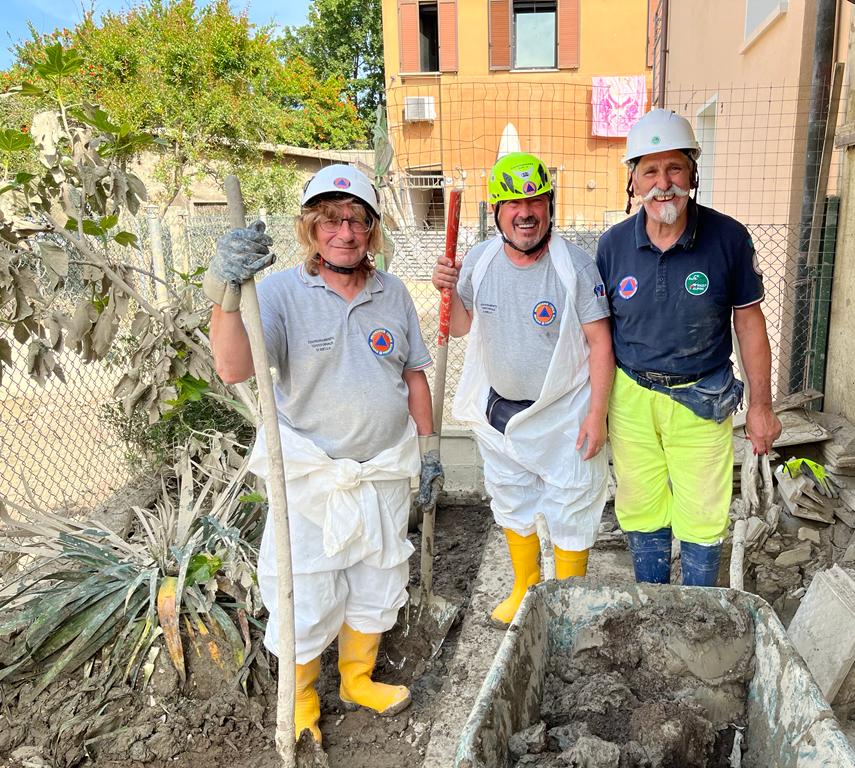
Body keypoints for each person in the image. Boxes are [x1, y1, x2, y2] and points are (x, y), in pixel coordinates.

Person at [204, 164, 442, 742]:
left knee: (378, 574)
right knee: (305, 584)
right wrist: (225, 295)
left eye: (357, 219)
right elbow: (234, 367)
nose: (345, 231)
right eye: (330, 219)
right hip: (311, 476)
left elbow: (413, 376)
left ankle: (357, 679)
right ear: (309, 227)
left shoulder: (393, 293)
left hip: (384, 468)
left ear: (372, 230)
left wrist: (429, 450)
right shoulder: (281, 291)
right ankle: (303, 698)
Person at [595, 109, 782, 586]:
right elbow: (595, 336)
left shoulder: (728, 239)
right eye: (651, 171)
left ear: (693, 173)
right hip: (631, 397)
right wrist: (594, 411)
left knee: (703, 509)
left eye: (675, 168)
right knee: (639, 505)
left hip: (702, 397)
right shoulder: (612, 246)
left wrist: (762, 406)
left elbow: (750, 323)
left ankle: (698, 608)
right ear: (633, 180)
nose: (664, 184)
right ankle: (653, 601)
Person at [431, 152, 614, 626]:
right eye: (512, 202)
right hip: (501, 415)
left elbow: (599, 343)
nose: (525, 211)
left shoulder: (573, 266)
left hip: (564, 414)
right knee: (511, 500)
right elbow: (461, 328)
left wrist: (597, 414)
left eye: (535, 199)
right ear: (497, 211)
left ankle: (567, 601)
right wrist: (447, 292)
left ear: (550, 205)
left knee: (572, 503)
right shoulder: (480, 260)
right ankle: (525, 587)